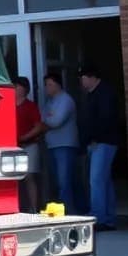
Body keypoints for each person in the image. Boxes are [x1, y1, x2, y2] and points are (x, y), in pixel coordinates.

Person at [77, 64, 119, 231]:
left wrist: (92, 138)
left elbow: (105, 119)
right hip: (99, 141)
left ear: (91, 77)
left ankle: (99, 218)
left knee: (96, 180)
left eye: (83, 77)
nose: (81, 81)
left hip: (103, 142)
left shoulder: (104, 93)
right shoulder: (93, 93)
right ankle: (108, 218)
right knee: (104, 180)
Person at [41, 72, 79, 213]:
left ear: (58, 84)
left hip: (65, 145)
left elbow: (56, 121)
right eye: (46, 85)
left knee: (65, 181)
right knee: (58, 180)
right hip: (52, 145)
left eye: (50, 84)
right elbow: (43, 118)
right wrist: (47, 120)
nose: (47, 88)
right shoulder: (49, 102)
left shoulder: (65, 100)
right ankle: (67, 208)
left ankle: (69, 212)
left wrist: (46, 122)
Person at [13, 76, 44, 212]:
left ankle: (34, 209)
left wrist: (25, 137)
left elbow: (39, 126)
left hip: (29, 146)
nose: (14, 88)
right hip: (12, 147)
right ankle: (15, 208)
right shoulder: (7, 105)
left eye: (17, 86)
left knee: (29, 177)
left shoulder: (31, 106)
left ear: (24, 89)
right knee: (12, 179)